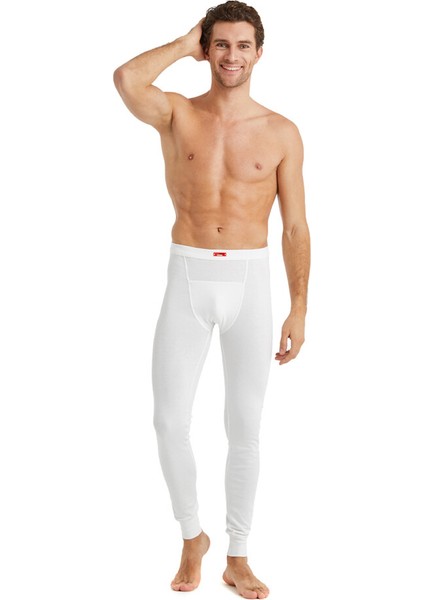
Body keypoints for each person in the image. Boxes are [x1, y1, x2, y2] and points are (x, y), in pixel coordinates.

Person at [113, 1, 310, 597]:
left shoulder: (281, 131)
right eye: (220, 44)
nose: (231, 56)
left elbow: (294, 227)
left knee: (244, 426)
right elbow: (126, 79)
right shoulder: (177, 114)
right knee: (168, 421)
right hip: (188, 275)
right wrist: (183, 44)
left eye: (242, 45)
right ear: (208, 48)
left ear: (259, 53)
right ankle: (191, 536)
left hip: (250, 281)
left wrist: (299, 307)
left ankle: (238, 556)